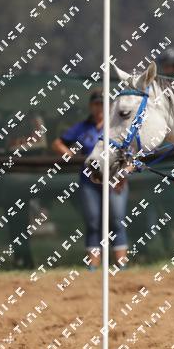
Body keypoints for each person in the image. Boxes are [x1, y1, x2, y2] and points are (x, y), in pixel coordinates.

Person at [51, 89, 129, 270]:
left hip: (114, 178)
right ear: (90, 106)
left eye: (102, 104)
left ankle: (121, 265)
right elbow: (57, 143)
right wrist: (70, 156)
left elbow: (129, 150)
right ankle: (93, 266)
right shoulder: (82, 127)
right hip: (89, 181)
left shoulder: (117, 127)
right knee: (93, 221)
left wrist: (122, 175)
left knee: (117, 220)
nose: (99, 107)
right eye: (96, 104)